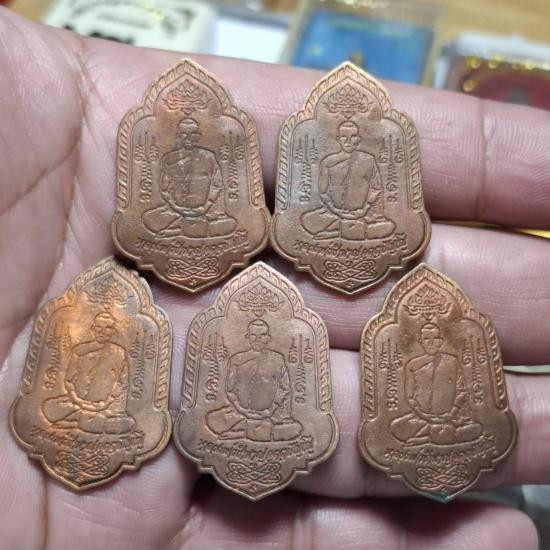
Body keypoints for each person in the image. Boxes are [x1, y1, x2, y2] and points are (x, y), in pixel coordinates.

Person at [0, 10, 547, 546]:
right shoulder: (187, 351)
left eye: (352, 136)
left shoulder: (440, 355)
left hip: (346, 234)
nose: (346, 142)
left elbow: (345, 204)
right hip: (196, 237)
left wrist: (346, 216)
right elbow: (177, 197)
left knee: (355, 239)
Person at [206, 319, 303, 442]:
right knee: (212, 420)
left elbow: (284, 389)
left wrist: (270, 411)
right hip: (240, 412)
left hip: (270, 414)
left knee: (296, 429)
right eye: (253, 335)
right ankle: (256, 431)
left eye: (262, 335)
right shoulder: (237, 359)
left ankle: (240, 433)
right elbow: (230, 390)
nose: (258, 339)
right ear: (247, 337)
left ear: (268, 338)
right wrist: (241, 409)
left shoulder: (277, 359)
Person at [390, 322, 483, 446]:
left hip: (451, 417)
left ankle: (425, 438)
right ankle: (441, 435)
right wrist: (425, 416)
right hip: (422, 418)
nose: (431, 342)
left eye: (435, 338)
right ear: (421, 341)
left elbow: (462, 392)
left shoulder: (453, 362)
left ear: (440, 341)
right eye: (426, 339)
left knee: (476, 428)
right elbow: (410, 397)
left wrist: (451, 413)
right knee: (396, 427)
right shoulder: (412, 365)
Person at [142, 117, 237, 238]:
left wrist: (205, 207)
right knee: (149, 219)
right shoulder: (169, 159)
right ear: (178, 136)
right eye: (183, 134)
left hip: (205, 211)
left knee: (231, 224)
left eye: (192, 134)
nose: (188, 138)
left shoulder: (209, 157)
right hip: (176, 211)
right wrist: (176, 208)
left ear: (198, 136)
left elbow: (217, 186)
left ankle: (177, 230)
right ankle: (195, 229)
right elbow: (164, 190)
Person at [42, 312, 135, 434]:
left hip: (105, 406)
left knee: (125, 422)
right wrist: (78, 401)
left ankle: (78, 421)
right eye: (99, 327)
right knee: (49, 408)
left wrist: (105, 403)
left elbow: (122, 384)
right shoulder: (79, 351)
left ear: (113, 331)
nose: (102, 332)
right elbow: (68, 381)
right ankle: (87, 420)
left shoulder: (119, 353)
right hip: (76, 402)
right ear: (93, 328)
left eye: (107, 328)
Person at [301, 120, 395, 240]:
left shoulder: (368, 160)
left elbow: (376, 189)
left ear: (358, 140)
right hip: (334, 214)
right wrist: (336, 211)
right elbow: (323, 192)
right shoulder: (328, 162)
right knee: (307, 220)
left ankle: (336, 232)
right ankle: (353, 230)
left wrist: (364, 209)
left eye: (353, 136)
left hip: (363, 214)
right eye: (344, 137)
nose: (348, 141)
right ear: (338, 139)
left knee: (389, 227)